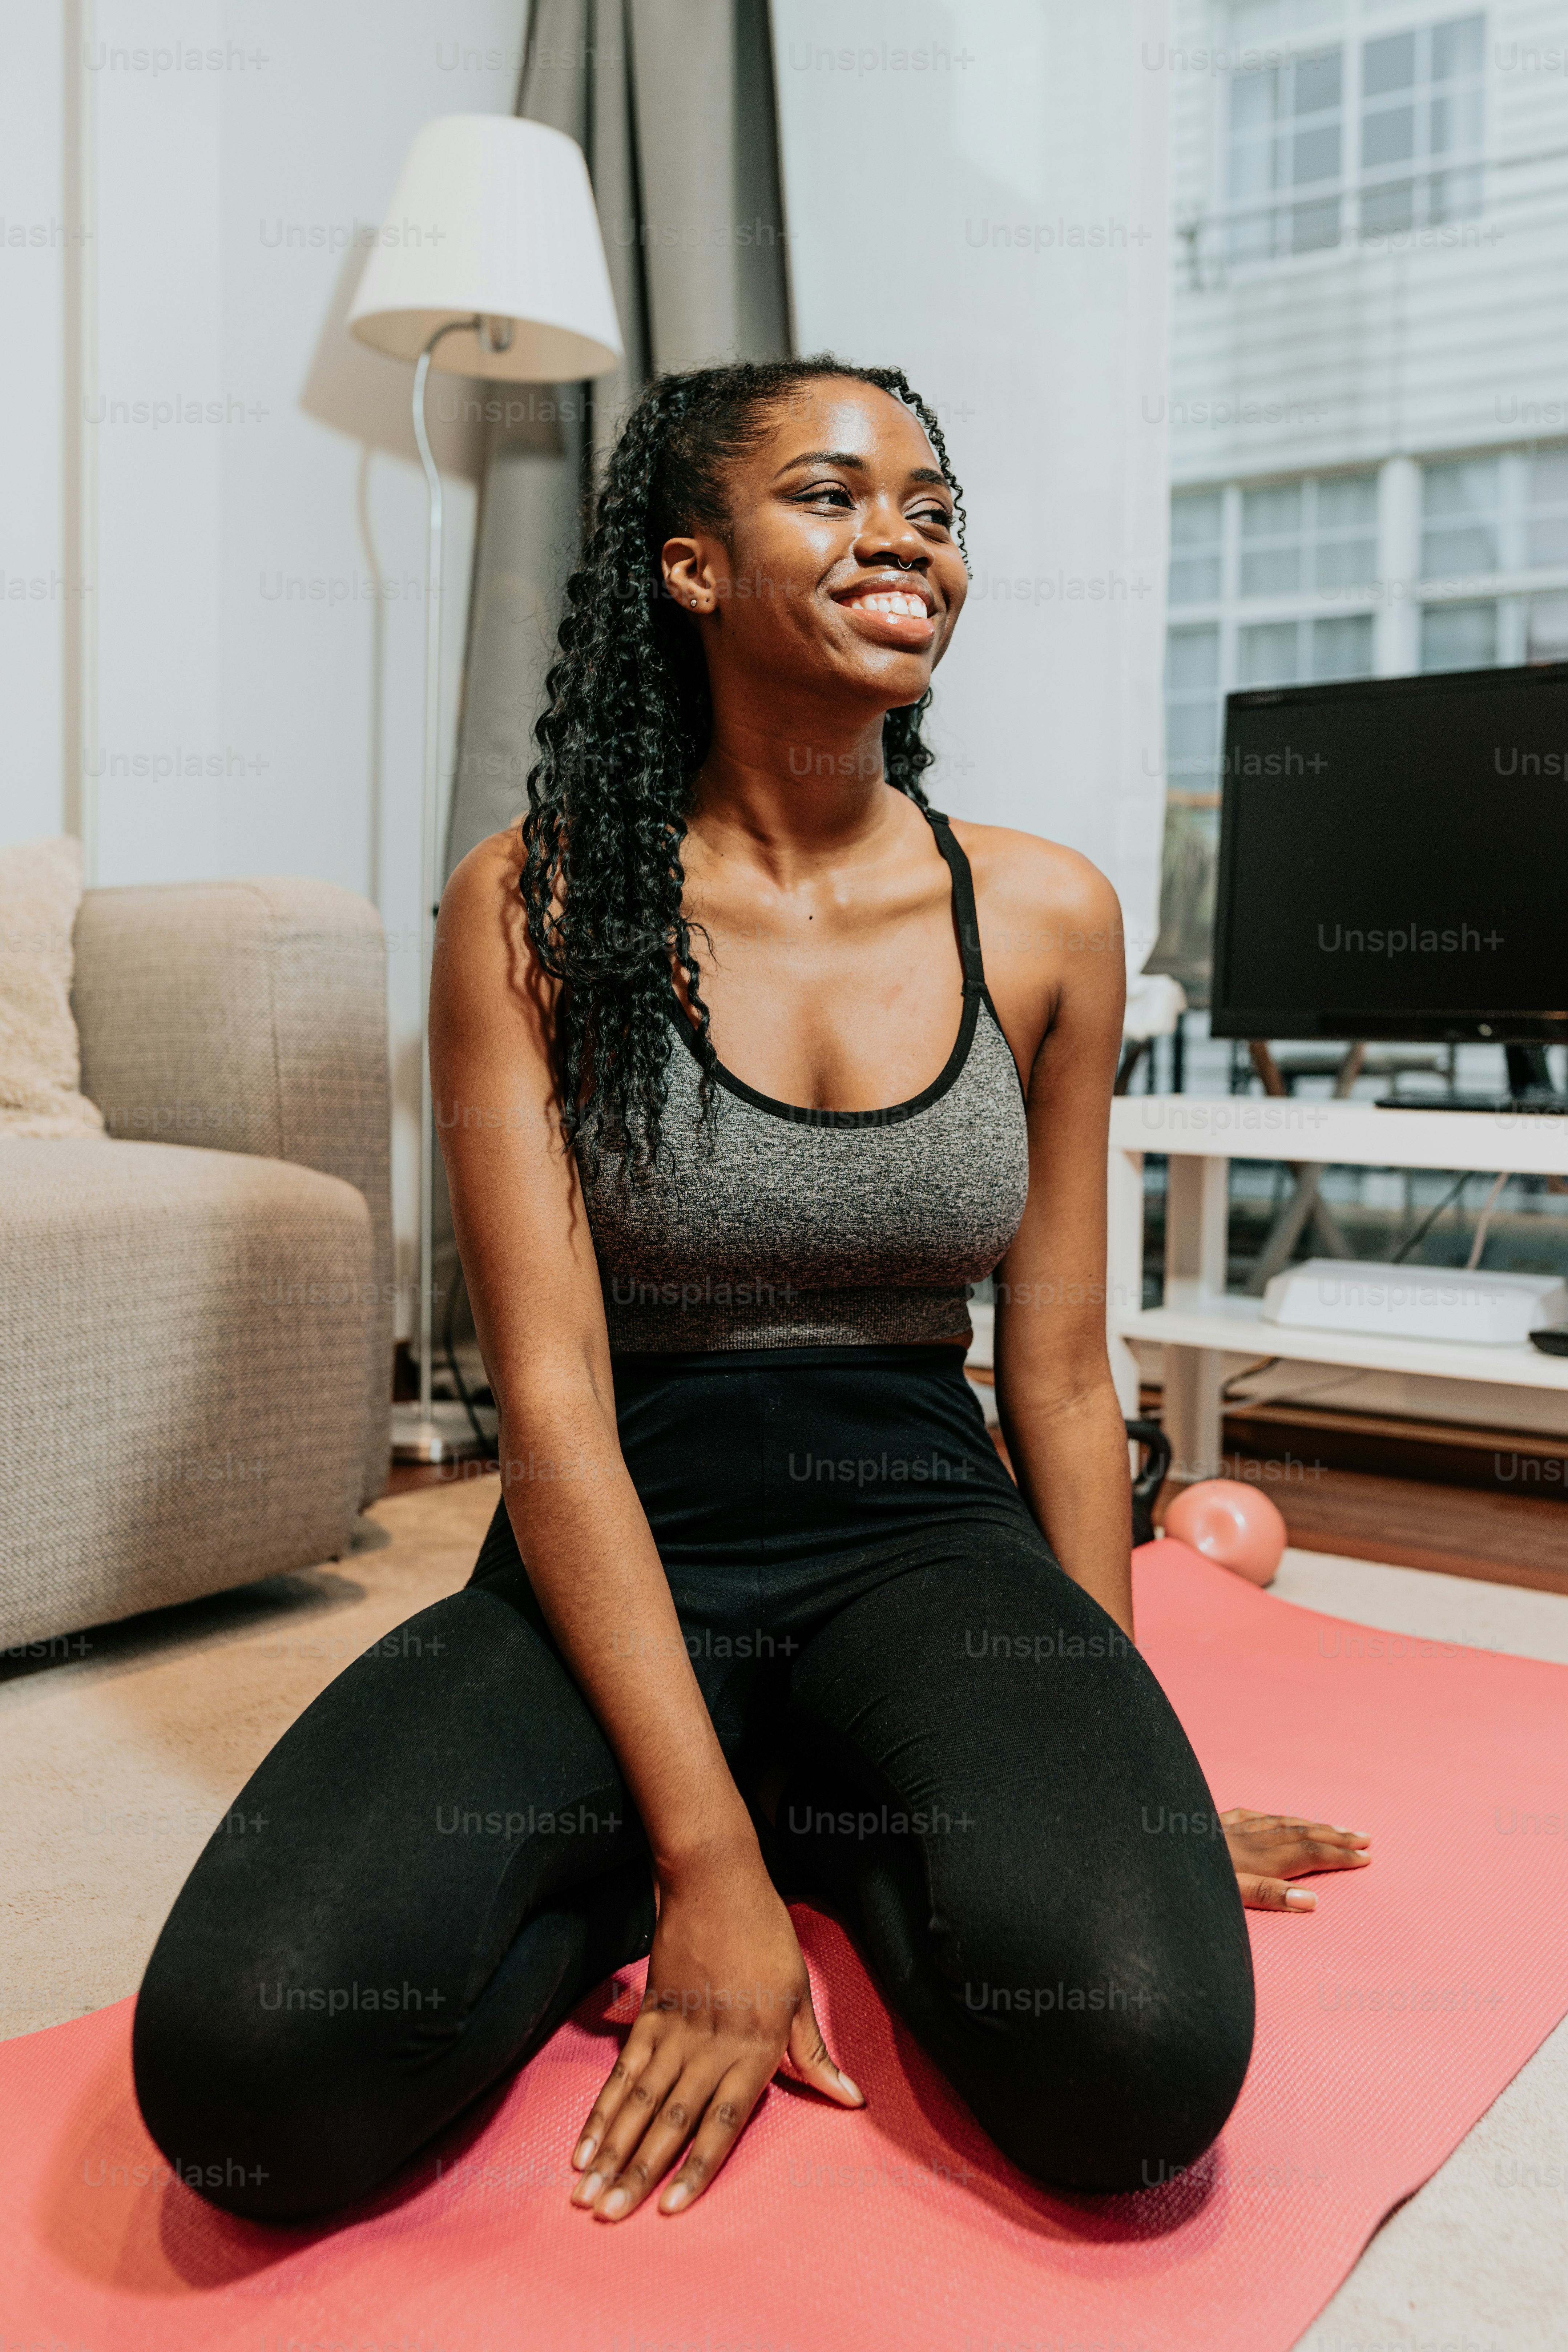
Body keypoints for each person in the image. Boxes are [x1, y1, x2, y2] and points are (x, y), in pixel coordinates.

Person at [131, 357, 1371, 2226]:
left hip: (925, 1543)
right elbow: (544, 1407)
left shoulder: (1044, 916)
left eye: (933, 509)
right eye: (832, 493)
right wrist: (704, 1865)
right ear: (693, 566)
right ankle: (707, 1817)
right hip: (621, 1533)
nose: (904, 539)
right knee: (245, 2076)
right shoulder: (531, 905)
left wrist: (1114, 1733)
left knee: (1135, 2079)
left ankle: (845, 1816)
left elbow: (1049, 1365)